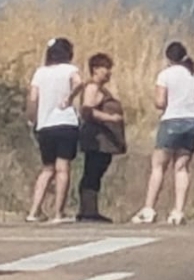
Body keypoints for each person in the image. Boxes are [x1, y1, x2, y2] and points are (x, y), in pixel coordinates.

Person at [132, 41, 194, 226]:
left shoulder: (165, 75)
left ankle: (149, 209)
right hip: (191, 123)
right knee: (182, 168)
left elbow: (160, 102)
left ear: (168, 58)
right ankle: (178, 211)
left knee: (158, 166)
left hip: (171, 121)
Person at [26, 37, 83, 224]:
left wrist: (32, 118)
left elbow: (33, 98)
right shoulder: (69, 69)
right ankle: (58, 213)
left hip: (45, 125)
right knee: (63, 168)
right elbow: (79, 83)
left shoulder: (40, 73)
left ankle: (34, 211)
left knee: (47, 168)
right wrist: (70, 97)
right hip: (66, 123)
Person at [77, 52, 126, 222]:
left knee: (96, 172)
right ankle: (87, 211)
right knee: (92, 172)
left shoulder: (100, 89)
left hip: (104, 140)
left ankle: (90, 209)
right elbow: (86, 110)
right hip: (96, 139)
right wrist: (110, 118)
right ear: (95, 69)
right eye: (105, 68)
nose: (109, 72)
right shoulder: (92, 88)